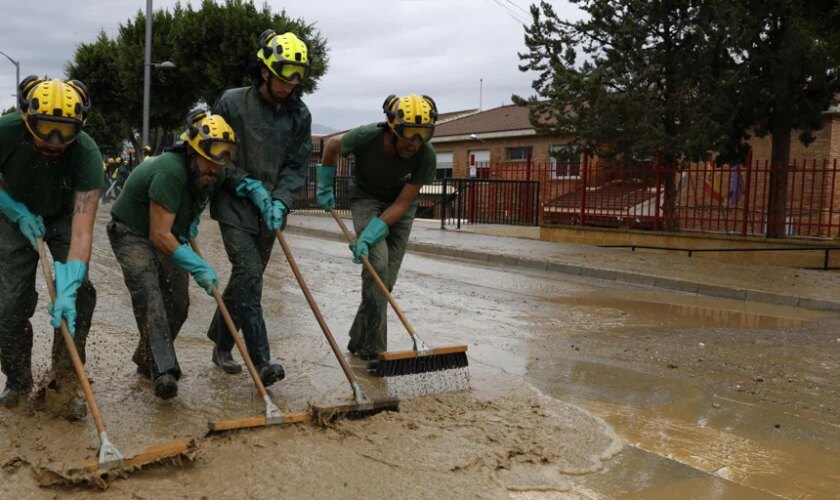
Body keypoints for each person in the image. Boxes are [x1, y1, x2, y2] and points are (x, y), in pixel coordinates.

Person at [205, 29, 312, 387]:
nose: (291, 83)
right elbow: (215, 155)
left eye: (298, 76)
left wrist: (281, 199)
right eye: (284, 75)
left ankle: (221, 342)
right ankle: (262, 360)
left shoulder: (300, 115)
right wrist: (247, 184)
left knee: (246, 281)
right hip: (234, 203)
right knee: (249, 274)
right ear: (265, 71)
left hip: (270, 211)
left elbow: (297, 166)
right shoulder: (232, 103)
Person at [108, 109, 236, 399]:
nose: (214, 171)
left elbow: (193, 208)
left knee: (178, 303)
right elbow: (158, 235)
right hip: (133, 232)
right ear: (192, 153)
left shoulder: (214, 171)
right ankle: (164, 371)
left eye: (220, 164)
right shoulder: (169, 171)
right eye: (209, 163)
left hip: (170, 233)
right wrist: (198, 265)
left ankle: (147, 360)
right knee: (149, 292)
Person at [0, 76, 102, 418]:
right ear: (28, 119)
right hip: (13, 213)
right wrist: (15, 210)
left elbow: (83, 231)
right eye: (45, 129)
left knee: (82, 294)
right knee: (9, 303)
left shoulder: (86, 153)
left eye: (65, 132)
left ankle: (66, 381)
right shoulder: (7, 131)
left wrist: (70, 282)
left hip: (62, 216)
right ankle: (18, 380)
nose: (54, 141)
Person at [317, 94, 438, 360]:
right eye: (408, 136)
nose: (413, 145)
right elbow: (332, 145)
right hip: (365, 198)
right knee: (378, 267)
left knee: (384, 282)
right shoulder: (367, 136)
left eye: (421, 137)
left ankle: (357, 339)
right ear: (393, 129)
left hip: (400, 208)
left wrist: (371, 234)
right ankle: (375, 350)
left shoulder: (426, 157)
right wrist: (325, 184)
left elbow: (402, 203)